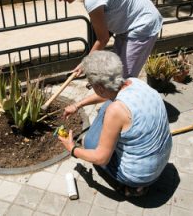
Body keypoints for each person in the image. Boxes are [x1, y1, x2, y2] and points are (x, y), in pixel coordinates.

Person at [59, 50, 172, 197]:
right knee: (109, 104)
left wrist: (72, 149)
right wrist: (78, 105)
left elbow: (101, 158)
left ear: (99, 87)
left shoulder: (116, 110)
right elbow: (109, 93)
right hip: (161, 163)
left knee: (90, 142)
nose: (92, 88)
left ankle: (131, 187)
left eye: (90, 85)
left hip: (139, 176)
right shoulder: (136, 82)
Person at [46, 0, 163, 78]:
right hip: (128, 25)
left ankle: (126, 97)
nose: (60, 0)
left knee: (124, 80)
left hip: (142, 25)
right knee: (116, 71)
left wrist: (85, 63)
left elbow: (103, 39)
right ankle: (113, 96)